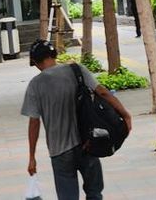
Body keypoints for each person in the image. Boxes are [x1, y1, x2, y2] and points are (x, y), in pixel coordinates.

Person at [22, 39, 132, 200]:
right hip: (87, 143)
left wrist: (32, 157)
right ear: (54, 54)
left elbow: (34, 122)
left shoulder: (35, 85)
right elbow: (102, 92)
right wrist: (125, 114)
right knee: (94, 193)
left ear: (36, 61)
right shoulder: (76, 70)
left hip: (59, 152)